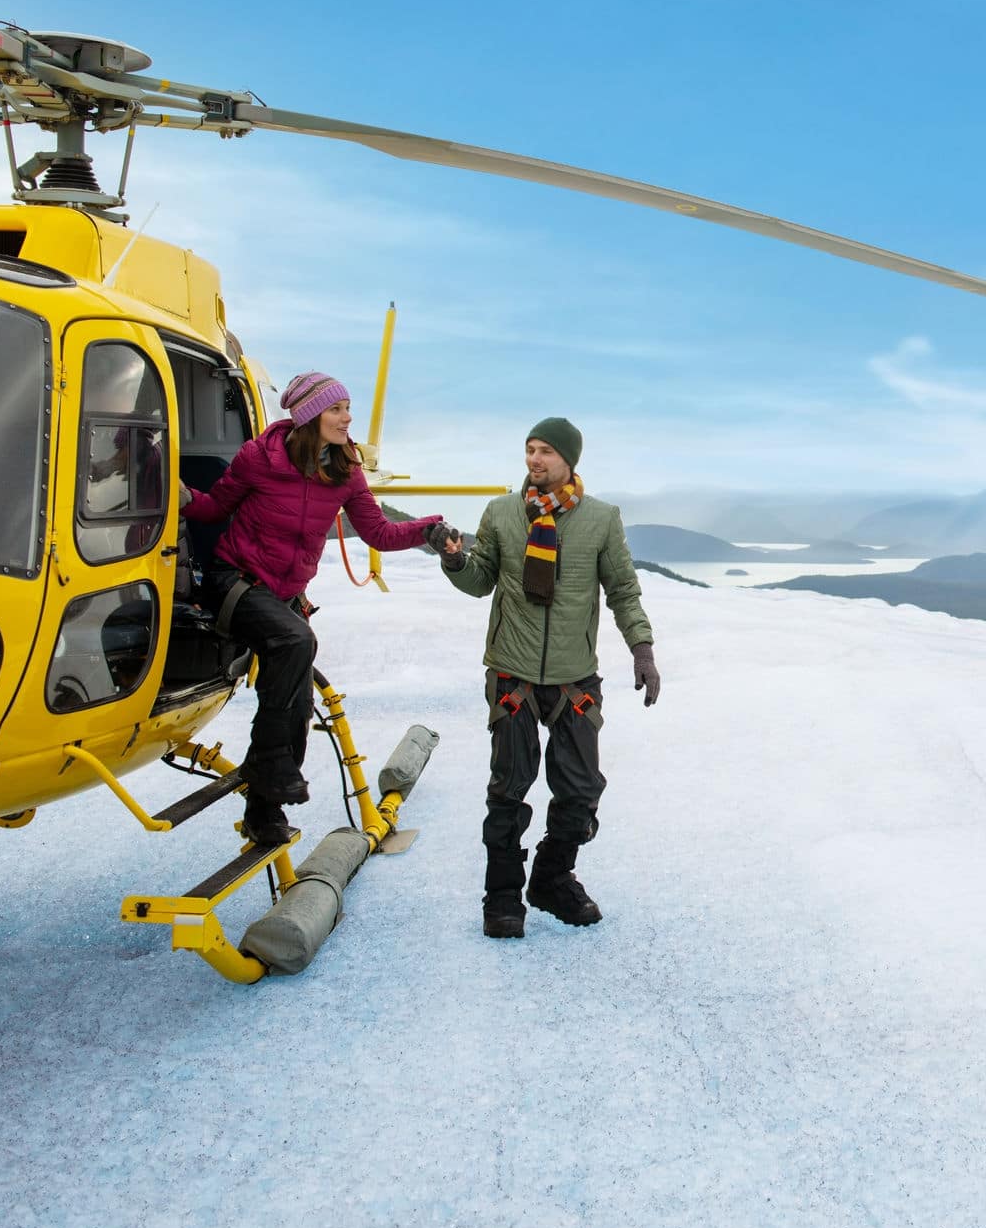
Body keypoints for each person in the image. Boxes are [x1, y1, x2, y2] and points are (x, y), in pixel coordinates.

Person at [181, 371, 456, 847]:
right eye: (337, 409)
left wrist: (427, 529)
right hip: (236, 581)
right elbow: (214, 508)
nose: (348, 419)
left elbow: (379, 533)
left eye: (348, 408)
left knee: (296, 703)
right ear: (309, 416)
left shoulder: (344, 472)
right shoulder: (258, 458)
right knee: (297, 641)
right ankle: (272, 771)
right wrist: (177, 495)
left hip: (285, 597)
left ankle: (263, 812)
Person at [436, 417, 659, 939]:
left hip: (573, 680)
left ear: (569, 462)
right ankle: (503, 898)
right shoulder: (501, 513)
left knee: (580, 792)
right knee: (508, 791)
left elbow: (623, 590)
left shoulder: (601, 519)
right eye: (529, 450)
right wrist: (453, 560)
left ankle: (552, 880)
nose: (534, 460)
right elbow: (480, 580)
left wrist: (642, 650)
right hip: (512, 674)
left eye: (545, 452)